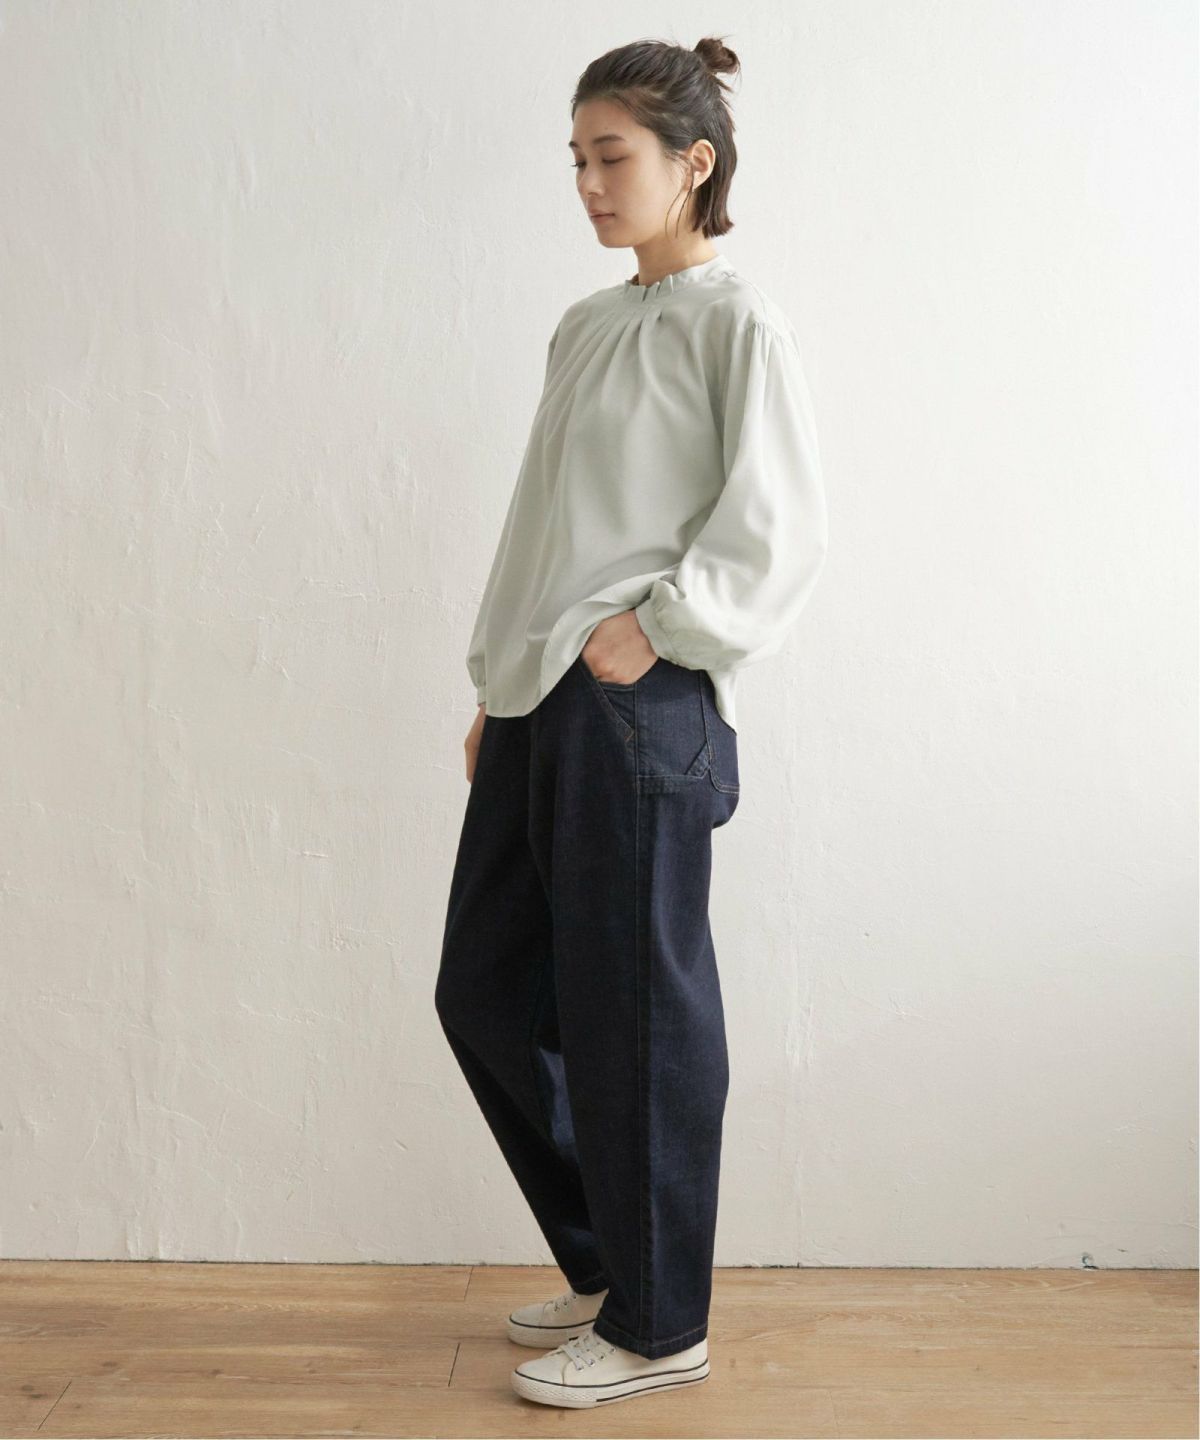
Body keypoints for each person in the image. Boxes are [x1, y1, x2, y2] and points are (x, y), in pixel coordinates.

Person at [435, 34, 828, 1411]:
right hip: (543, 693)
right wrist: (498, 684)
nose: (591, 184)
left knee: (636, 1011)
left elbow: (777, 526)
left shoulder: (737, 324)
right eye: (578, 160)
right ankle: (617, 1263)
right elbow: (541, 521)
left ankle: (663, 1327)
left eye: (614, 157)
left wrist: (654, 631)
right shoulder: (586, 326)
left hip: (640, 700)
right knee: (486, 990)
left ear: (692, 162)